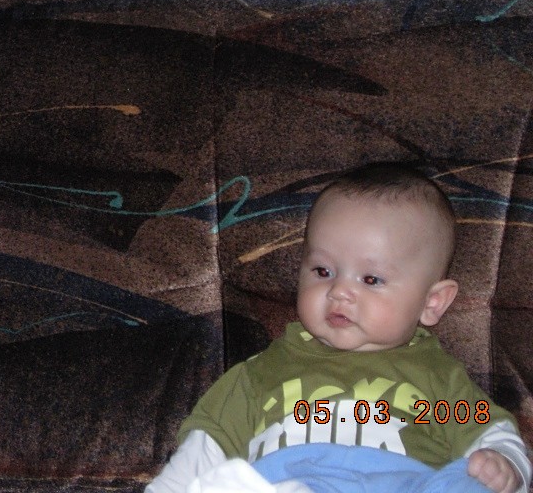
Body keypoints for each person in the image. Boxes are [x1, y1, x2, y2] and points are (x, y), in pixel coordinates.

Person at [146, 162, 531, 493]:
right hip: (290, 479)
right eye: (323, 271)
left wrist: (504, 462)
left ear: (431, 303)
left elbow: (491, 434)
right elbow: (202, 451)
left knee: (467, 481)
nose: (339, 291)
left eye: (371, 279)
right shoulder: (259, 375)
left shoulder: (438, 379)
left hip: (403, 484)